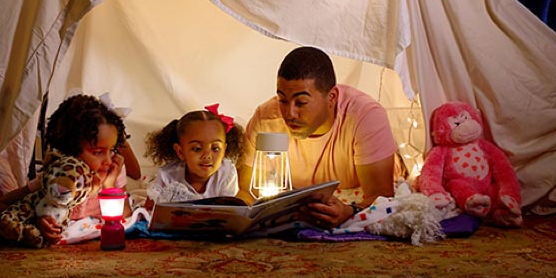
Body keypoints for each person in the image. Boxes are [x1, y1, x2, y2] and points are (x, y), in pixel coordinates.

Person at [237, 46, 397, 229]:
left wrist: (348, 212)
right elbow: (246, 192)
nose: (290, 113)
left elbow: (381, 197)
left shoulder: (365, 116)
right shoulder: (266, 119)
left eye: (301, 102)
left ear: (332, 97)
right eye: (282, 100)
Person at [0, 94, 130, 245]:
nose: (108, 160)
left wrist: (109, 187)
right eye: (98, 152)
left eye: (111, 150)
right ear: (71, 150)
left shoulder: (114, 171)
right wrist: (38, 219)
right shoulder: (57, 179)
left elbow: (126, 214)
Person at [144, 104, 243, 204]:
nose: (207, 155)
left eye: (215, 148)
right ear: (180, 151)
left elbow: (229, 211)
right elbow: (151, 210)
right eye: (197, 149)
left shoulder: (227, 174)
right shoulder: (167, 176)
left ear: (224, 150)